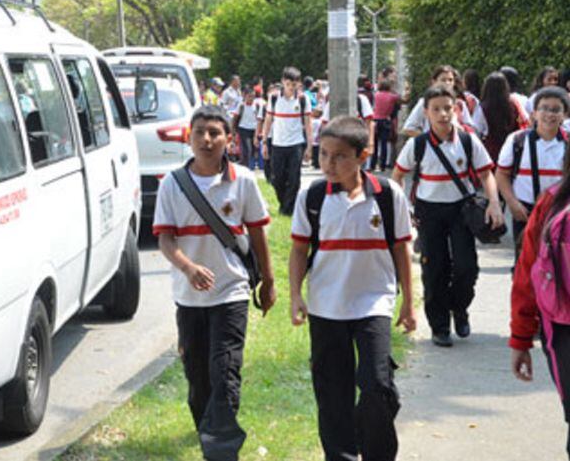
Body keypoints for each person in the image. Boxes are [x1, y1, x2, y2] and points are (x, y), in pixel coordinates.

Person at [153, 104, 275, 461]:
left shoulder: (244, 182)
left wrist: (268, 281)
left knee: (225, 372)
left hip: (231, 292)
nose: (207, 140)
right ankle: (209, 431)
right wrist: (188, 268)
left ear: (229, 139)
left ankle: (221, 451)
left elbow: (258, 234)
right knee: (198, 379)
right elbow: (165, 239)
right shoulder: (171, 185)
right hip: (188, 298)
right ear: (188, 138)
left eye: (215, 133)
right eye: (199, 133)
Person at [290, 116, 416, 461]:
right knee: (333, 392)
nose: (329, 163)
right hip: (325, 305)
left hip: (373, 302)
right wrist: (295, 295)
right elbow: (299, 249)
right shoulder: (312, 196)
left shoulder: (388, 195)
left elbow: (401, 249)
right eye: (323, 154)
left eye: (339, 156)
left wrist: (408, 302)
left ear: (363, 156)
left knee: (377, 385)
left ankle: (377, 452)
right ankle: (341, 455)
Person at [392, 86, 505, 347]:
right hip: (429, 212)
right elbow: (398, 176)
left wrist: (494, 203)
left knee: (467, 267)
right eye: (436, 109)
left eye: (448, 108)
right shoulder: (417, 145)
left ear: (456, 109)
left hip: (461, 211)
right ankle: (439, 326)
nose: (443, 114)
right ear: (426, 113)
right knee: (435, 270)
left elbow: (487, 174)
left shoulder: (467, 140)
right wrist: (402, 210)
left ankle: (459, 308)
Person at [509, 144, 570, 458]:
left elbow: (527, 272)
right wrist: (520, 337)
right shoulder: (552, 202)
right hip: (561, 329)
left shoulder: (554, 201)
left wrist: (521, 339)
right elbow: (530, 272)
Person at [497, 87, 570, 255]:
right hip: (525, 211)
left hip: (560, 213)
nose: (549, 114)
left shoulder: (567, 143)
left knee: (558, 264)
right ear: (534, 113)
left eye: (556, 110)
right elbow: (502, 174)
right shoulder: (517, 140)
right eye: (544, 108)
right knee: (524, 262)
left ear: (564, 115)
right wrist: (513, 203)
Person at [262, 67, 313, 215]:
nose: (291, 88)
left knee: (294, 179)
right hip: (277, 144)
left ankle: (288, 209)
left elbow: (308, 124)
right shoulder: (274, 98)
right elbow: (268, 121)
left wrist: (309, 146)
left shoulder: (303, 100)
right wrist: (264, 142)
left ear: (298, 84)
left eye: (294, 84)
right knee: (277, 179)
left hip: (296, 144)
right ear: (283, 82)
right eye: (288, 84)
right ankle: (284, 203)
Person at [402, 65, 477, 137]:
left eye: (450, 80)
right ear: (434, 82)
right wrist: (428, 140)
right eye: (443, 80)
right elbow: (408, 128)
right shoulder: (425, 102)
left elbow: (471, 127)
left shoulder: (460, 104)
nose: (447, 83)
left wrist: (460, 131)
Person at [480, 71, 529, 164]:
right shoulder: (513, 104)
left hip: (490, 152)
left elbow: (477, 129)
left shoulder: (482, 108)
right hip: (512, 148)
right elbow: (525, 120)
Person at [372, 78, 402, 172]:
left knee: (375, 143)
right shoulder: (392, 97)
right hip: (385, 120)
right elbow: (401, 98)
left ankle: (373, 164)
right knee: (384, 143)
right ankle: (382, 165)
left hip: (375, 120)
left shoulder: (376, 95)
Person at [234, 88, 259, 169]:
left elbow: (259, 119)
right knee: (247, 149)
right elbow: (235, 118)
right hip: (243, 129)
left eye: (253, 96)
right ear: (245, 96)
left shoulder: (256, 106)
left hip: (254, 130)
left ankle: (243, 164)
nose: (251, 99)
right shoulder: (241, 106)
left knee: (252, 150)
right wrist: (233, 131)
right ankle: (245, 167)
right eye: (249, 96)